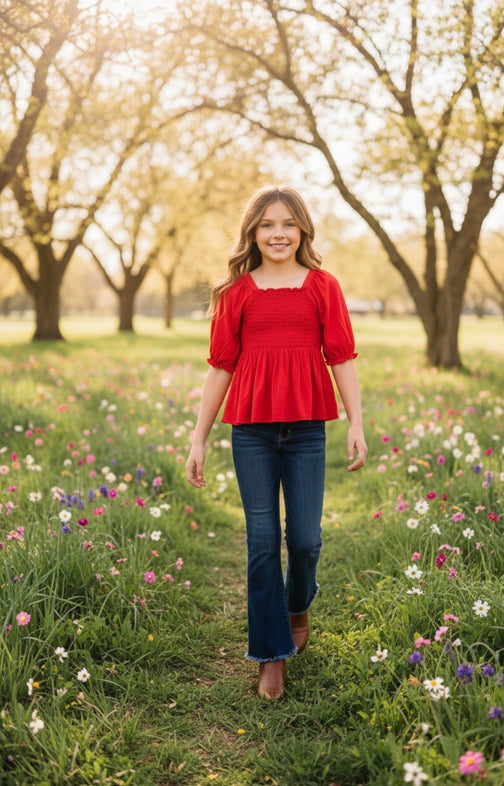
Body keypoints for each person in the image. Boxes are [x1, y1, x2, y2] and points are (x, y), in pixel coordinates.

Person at [186, 184, 367, 700]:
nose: (278, 233)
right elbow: (220, 367)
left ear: (303, 230)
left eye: (288, 223)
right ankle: (270, 652)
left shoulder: (323, 287)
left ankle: (297, 605)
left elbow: (341, 357)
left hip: (307, 431)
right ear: (253, 233)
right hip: (252, 433)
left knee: (305, 541)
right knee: (262, 541)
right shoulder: (235, 293)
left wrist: (356, 423)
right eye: (267, 224)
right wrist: (199, 438)